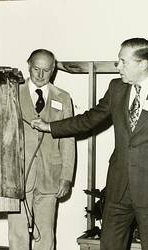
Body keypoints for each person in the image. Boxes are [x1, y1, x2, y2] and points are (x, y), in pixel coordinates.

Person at [31, 38, 148, 250]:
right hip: (118, 187)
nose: (118, 66)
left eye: (123, 61)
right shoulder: (117, 88)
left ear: (143, 64)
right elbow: (89, 119)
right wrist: (50, 126)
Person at [8, 49, 75, 250]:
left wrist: (66, 177)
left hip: (51, 175)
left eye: (46, 70)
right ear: (28, 65)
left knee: (45, 234)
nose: (40, 75)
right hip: (18, 176)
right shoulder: (12, 92)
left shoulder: (63, 98)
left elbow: (68, 139)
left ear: (53, 70)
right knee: (18, 234)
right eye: (36, 69)